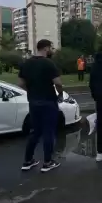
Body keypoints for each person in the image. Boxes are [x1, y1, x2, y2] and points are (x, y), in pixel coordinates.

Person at [18, 39, 63, 173]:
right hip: (48, 101)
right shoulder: (48, 63)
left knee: (35, 132)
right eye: (51, 48)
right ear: (46, 48)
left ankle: (28, 161)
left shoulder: (26, 63)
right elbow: (58, 83)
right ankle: (47, 162)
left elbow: (20, 83)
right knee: (48, 132)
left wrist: (31, 91)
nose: (51, 51)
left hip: (33, 102)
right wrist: (60, 93)